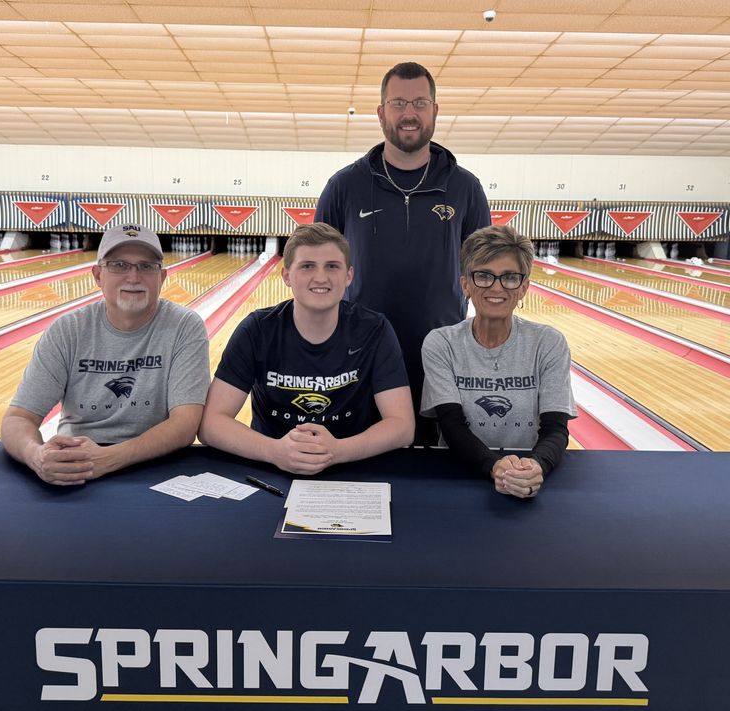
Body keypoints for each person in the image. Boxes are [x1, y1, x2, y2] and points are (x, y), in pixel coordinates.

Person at [315, 61, 491, 444]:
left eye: (419, 103)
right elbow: (315, 271)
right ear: (381, 113)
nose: (409, 114)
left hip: (441, 359)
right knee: (358, 465)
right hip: (358, 357)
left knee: (433, 476)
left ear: (434, 111)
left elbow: (484, 273)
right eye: (398, 103)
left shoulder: (465, 188)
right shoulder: (345, 186)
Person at [1, 223, 210, 486]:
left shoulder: (184, 326)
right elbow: (19, 418)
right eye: (119, 265)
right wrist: (37, 456)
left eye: (146, 266)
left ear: (162, 277)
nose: (133, 278)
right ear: (98, 275)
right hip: (78, 466)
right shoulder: (68, 330)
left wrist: (108, 459)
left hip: (156, 466)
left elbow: (185, 424)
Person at [198, 223, 414, 475]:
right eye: (307, 266)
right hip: (269, 467)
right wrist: (275, 451)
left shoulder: (374, 330)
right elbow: (211, 424)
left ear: (349, 276)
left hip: (353, 465)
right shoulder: (257, 330)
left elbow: (402, 426)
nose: (321, 277)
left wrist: (338, 451)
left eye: (332, 266)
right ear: (286, 276)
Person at [420, 225, 577, 499]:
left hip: (527, 473)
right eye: (484, 276)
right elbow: (451, 425)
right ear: (465, 284)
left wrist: (536, 466)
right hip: (458, 473)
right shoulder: (441, 343)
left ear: (524, 287)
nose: (496, 287)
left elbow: (556, 428)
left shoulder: (548, 343)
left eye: (510, 277)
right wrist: (495, 467)